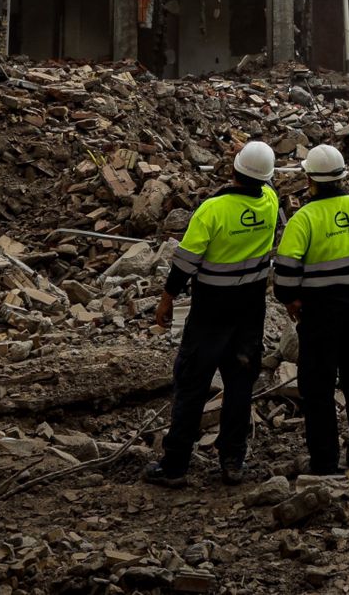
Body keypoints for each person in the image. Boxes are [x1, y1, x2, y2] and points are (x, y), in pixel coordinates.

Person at [142, 139, 280, 487]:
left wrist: (167, 298)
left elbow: (186, 262)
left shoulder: (212, 210)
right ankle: (232, 460)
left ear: (233, 169)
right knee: (239, 385)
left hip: (211, 311)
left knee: (192, 383)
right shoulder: (270, 202)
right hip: (250, 310)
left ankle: (175, 465)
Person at [273, 145, 349, 475]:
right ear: (342, 176)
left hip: (320, 319)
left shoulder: (303, 220)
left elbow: (284, 275)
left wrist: (291, 299)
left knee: (318, 390)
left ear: (309, 179)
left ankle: (324, 462)